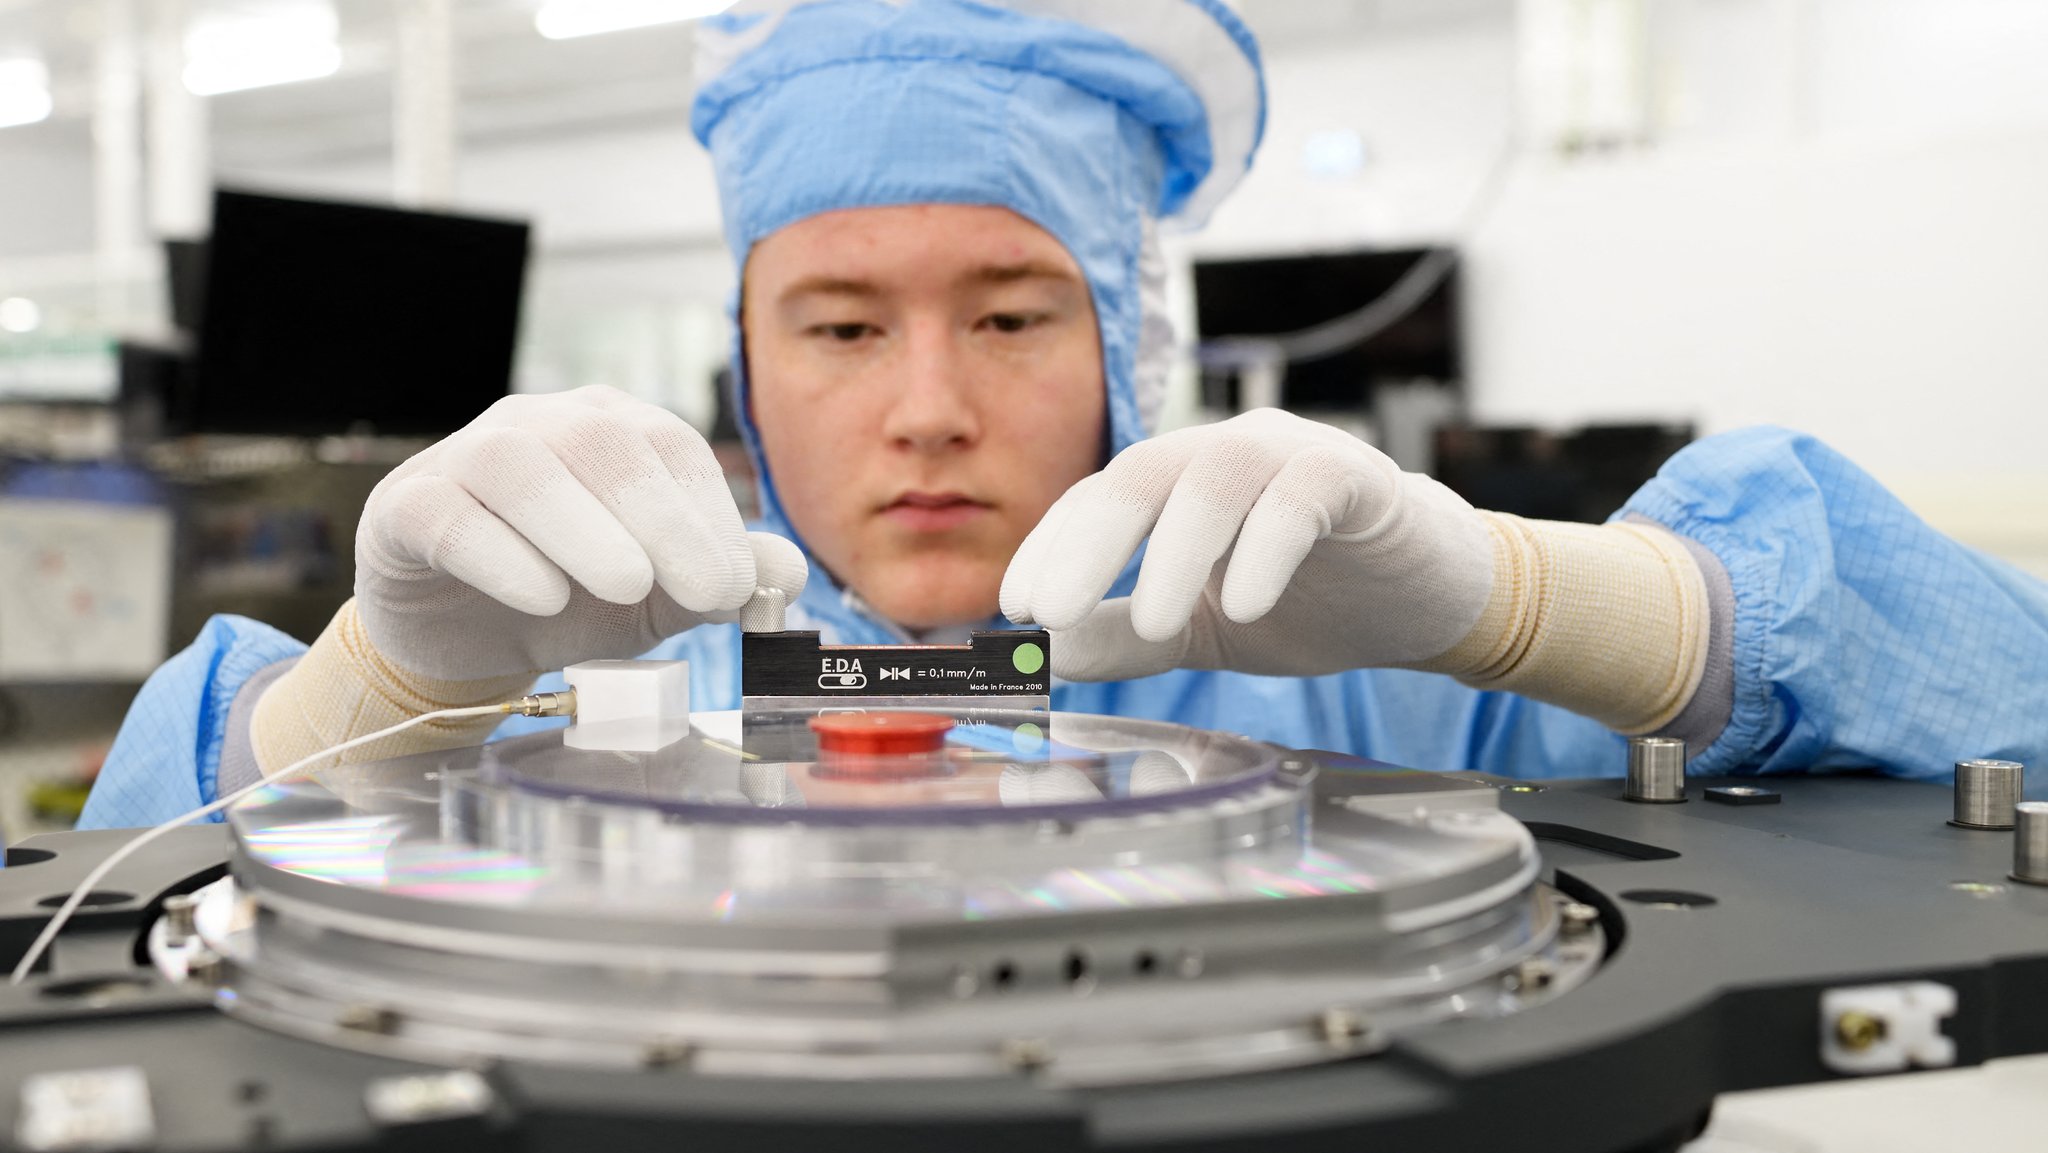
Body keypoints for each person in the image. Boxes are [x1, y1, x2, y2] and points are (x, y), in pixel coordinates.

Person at [79, 0, 2048, 830]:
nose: (926, 409)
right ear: (741, 356)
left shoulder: (1368, 670)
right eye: (839, 325)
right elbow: (93, 927)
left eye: (1011, 310)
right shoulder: (568, 673)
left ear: (1129, 336)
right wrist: (371, 696)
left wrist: (1533, 604)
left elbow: (2009, 723)